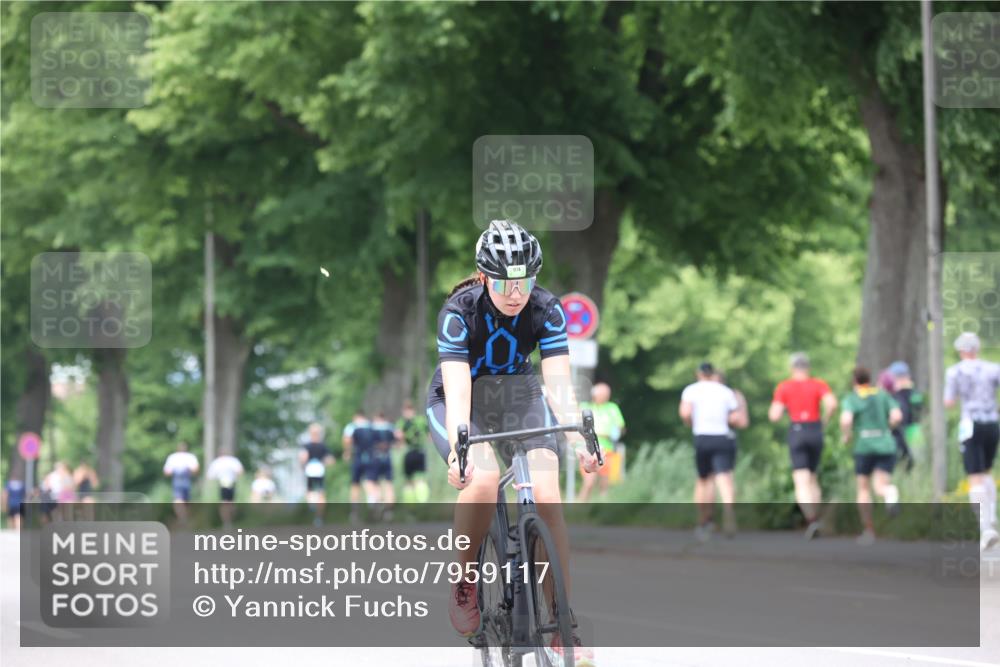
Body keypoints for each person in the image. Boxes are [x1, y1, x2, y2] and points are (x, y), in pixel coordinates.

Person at [425, 220, 599, 666]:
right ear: (485, 277)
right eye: (505, 283)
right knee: (483, 479)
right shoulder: (458, 313)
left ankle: (561, 624)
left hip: (519, 397)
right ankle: (464, 580)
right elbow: (458, 390)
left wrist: (578, 438)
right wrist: (461, 450)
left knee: (547, 495)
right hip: (462, 401)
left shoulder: (547, 309)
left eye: (526, 281)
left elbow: (558, 386)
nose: (517, 292)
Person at [769, 352, 838, 539]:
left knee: (801, 479)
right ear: (808, 367)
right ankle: (816, 519)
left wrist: (786, 410)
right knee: (813, 478)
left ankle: (811, 519)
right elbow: (832, 404)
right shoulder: (818, 384)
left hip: (797, 430)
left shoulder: (784, 386)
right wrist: (824, 420)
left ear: (792, 368)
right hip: (815, 430)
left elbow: (774, 415)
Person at [944, 332, 1000, 553]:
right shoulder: (993, 369)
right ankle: (992, 517)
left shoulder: (955, 372)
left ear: (961, 350)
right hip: (992, 423)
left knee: (974, 476)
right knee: (987, 471)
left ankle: (985, 528)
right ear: (977, 349)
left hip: (970, 424)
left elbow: (949, 402)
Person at [680, 362, 746, 540]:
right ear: (713, 373)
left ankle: (705, 520)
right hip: (722, 436)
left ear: (699, 374)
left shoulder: (691, 390)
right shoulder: (725, 391)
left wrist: (691, 423)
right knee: (725, 478)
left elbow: (685, 413)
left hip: (702, 436)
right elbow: (736, 416)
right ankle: (729, 512)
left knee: (704, 480)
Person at [840, 367, 903, 545]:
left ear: (854, 381)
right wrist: (887, 428)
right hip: (885, 445)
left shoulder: (852, 398)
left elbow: (846, 420)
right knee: (881, 485)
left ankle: (868, 530)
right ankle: (890, 493)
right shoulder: (882, 395)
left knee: (863, 489)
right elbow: (897, 416)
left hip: (864, 446)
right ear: (869, 379)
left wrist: (846, 435)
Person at [578, 382, 626, 503]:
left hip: (607, 449)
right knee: (589, 482)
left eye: (607, 394)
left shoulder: (612, 407)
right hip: (588, 449)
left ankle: (601, 508)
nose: (605, 396)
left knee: (604, 484)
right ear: (594, 394)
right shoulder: (585, 406)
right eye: (602, 394)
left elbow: (620, 428)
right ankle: (579, 507)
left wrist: (612, 434)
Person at [886, 361, 924, 469]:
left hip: (910, 431)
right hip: (911, 432)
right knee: (913, 465)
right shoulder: (913, 392)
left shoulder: (902, 394)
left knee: (913, 463)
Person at [342, 411, 376, 523]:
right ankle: (372, 505)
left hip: (358, 456)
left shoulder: (352, 426)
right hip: (370, 456)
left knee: (355, 485)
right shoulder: (371, 425)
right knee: (370, 482)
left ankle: (355, 512)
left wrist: (347, 452)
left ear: (356, 417)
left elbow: (347, 439)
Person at [300, 423, 334, 525]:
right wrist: (323, 463)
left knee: (310, 490)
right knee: (321, 493)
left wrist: (303, 465)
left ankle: (312, 504)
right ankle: (319, 518)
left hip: (310, 469)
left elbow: (303, 458)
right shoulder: (323, 446)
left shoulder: (307, 446)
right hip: (319, 470)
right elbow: (330, 460)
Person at [396, 400, 430, 503]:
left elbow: (398, 436)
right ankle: (422, 502)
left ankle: (411, 506)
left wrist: (400, 444)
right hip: (421, 452)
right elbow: (429, 434)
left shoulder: (402, 422)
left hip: (409, 452)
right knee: (421, 479)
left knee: (408, 481)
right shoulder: (421, 420)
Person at [164, 442, 199, 523]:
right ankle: (182, 518)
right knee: (178, 500)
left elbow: (196, 469)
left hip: (186, 479)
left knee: (185, 502)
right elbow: (166, 471)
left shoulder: (189, 457)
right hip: (178, 479)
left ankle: (184, 518)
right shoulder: (174, 457)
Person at [369, 412, 397, 517]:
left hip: (375, 459)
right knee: (389, 485)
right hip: (387, 458)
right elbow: (398, 439)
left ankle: (378, 506)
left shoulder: (372, 428)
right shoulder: (390, 428)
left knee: (375, 484)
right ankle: (389, 511)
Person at [206, 453, 244, 527]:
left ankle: (229, 521)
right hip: (222, 484)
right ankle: (226, 522)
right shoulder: (220, 462)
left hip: (231, 484)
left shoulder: (231, 461)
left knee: (230, 504)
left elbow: (240, 471)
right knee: (225, 503)